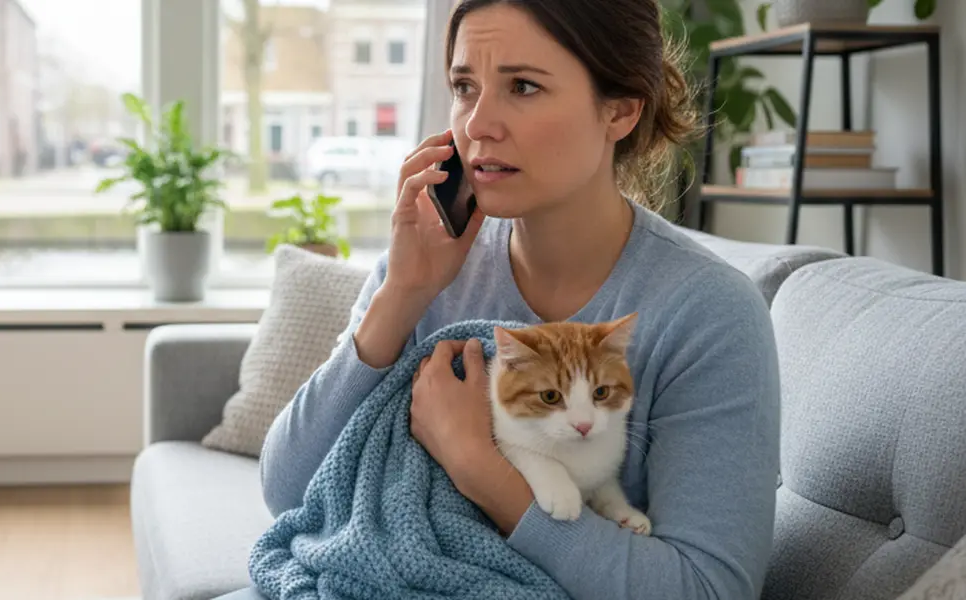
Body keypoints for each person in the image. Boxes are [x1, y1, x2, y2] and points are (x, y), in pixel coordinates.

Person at [218, 0, 781, 599]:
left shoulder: (708, 314)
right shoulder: (431, 264)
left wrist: (480, 466)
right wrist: (402, 294)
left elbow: (707, 590)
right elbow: (288, 488)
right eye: (465, 86)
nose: (478, 123)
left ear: (619, 110)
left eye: (523, 86)